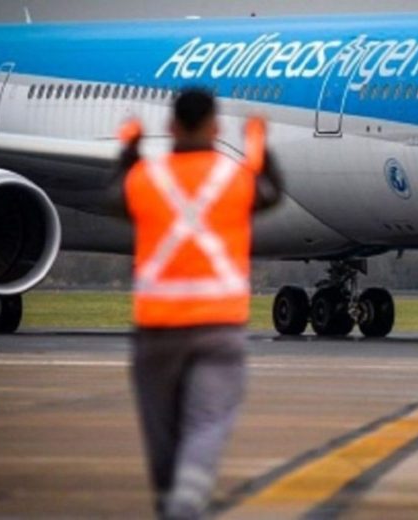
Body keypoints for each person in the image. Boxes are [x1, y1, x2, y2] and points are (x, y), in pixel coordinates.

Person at [114, 88, 282, 518]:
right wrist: (259, 142)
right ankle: (186, 501)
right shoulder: (234, 179)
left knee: (162, 433)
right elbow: (271, 190)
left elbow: (117, 195)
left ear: (169, 127)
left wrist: (130, 148)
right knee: (207, 423)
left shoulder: (146, 178)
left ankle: (170, 500)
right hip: (218, 328)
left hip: (156, 333)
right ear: (216, 127)